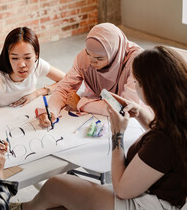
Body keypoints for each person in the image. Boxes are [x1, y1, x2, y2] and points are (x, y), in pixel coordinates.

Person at [10, 46, 187, 210]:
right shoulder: (177, 118)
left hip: (145, 203)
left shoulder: (163, 142)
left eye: (137, 82)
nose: (136, 87)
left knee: (57, 185)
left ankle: (20, 208)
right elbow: (161, 138)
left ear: (153, 90)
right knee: (60, 199)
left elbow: (123, 190)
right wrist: (140, 112)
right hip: (154, 194)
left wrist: (117, 134)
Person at [39, 23, 145, 127]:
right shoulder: (84, 58)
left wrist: (80, 104)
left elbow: (126, 108)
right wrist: (51, 110)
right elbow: (64, 88)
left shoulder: (137, 62)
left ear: (114, 54)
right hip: (99, 114)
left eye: (99, 58)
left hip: (136, 121)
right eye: (88, 53)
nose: (91, 62)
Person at [0, 27, 65, 148]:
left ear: (36, 55)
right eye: (14, 58)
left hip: (24, 117)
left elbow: (66, 80)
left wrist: (38, 93)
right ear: (8, 56)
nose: (21, 65)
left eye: (27, 58)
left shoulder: (38, 65)